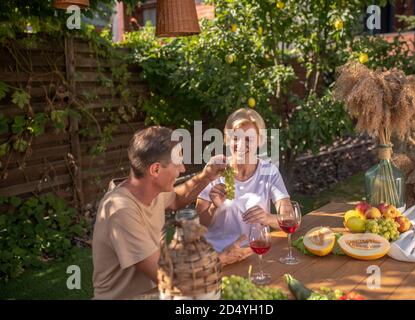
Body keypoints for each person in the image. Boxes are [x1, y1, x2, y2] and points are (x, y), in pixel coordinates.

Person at [92, 126, 245, 300]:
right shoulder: (121, 211)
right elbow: (167, 276)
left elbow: (176, 200)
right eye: (178, 162)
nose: (183, 168)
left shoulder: (151, 190)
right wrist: (221, 258)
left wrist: (207, 176)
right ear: (155, 170)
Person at [196, 108, 291, 253]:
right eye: (236, 138)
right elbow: (199, 224)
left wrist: (268, 218)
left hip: (253, 252)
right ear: (227, 139)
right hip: (217, 256)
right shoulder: (215, 169)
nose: (240, 145)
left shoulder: (268, 171)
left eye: (248, 139)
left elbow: (289, 217)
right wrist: (214, 208)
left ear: (260, 141)